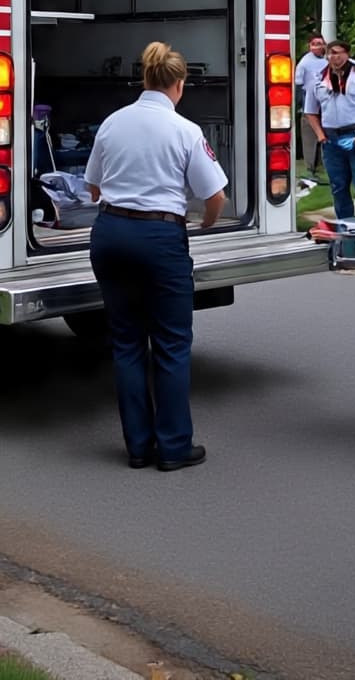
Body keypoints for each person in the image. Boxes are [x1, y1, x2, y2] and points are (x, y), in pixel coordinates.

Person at [85, 41, 227, 472]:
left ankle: (138, 447)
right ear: (179, 85)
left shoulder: (112, 123)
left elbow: (93, 187)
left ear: (144, 79)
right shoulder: (185, 131)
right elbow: (215, 197)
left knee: (126, 343)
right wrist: (204, 224)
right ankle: (173, 447)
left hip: (110, 233)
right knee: (170, 344)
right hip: (160, 237)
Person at [303, 39, 355, 221]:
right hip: (331, 139)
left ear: (347, 53)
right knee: (339, 186)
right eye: (331, 53)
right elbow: (310, 111)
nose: (335, 57)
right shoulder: (319, 77)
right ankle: (345, 227)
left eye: (339, 52)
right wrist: (320, 135)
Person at [294, 34, 328, 181]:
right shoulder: (304, 63)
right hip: (309, 107)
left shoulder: (326, 62)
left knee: (324, 137)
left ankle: (323, 168)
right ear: (310, 46)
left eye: (320, 43)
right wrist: (301, 105)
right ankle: (310, 170)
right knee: (310, 138)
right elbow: (298, 84)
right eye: (314, 44)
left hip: (325, 106)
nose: (318, 46)